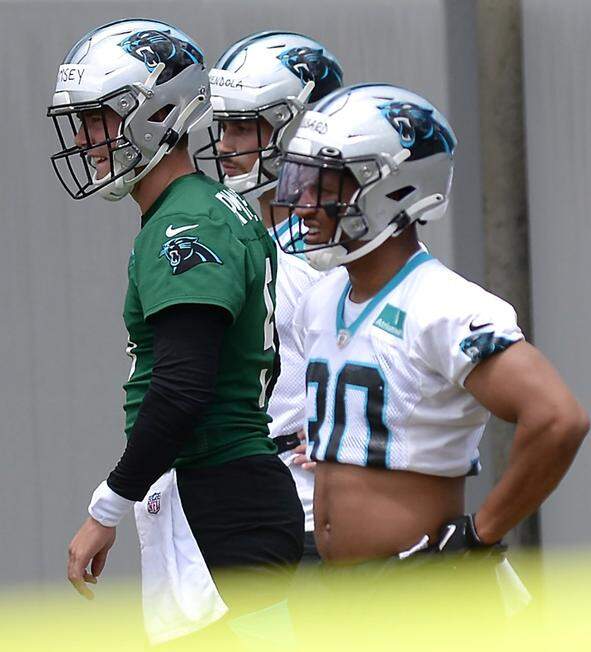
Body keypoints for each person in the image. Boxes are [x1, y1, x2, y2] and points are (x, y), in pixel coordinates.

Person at [49, 19, 301, 642]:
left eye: (98, 118)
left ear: (158, 111)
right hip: (223, 494)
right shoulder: (205, 208)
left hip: (219, 497)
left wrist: (107, 505)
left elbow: (184, 387)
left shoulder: (183, 225)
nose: (85, 139)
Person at [272, 83, 589, 577]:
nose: (304, 204)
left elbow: (558, 419)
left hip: (415, 583)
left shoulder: (442, 304)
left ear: (393, 189)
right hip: (332, 581)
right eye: (302, 182)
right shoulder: (322, 298)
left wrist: (479, 534)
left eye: (326, 186)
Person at [196, 30, 346, 561]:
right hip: (256, 498)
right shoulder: (247, 232)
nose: (224, 145)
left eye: (243, 126)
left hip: (314, 511)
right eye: (222, 127)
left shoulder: (331, 253)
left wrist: (354, 442)